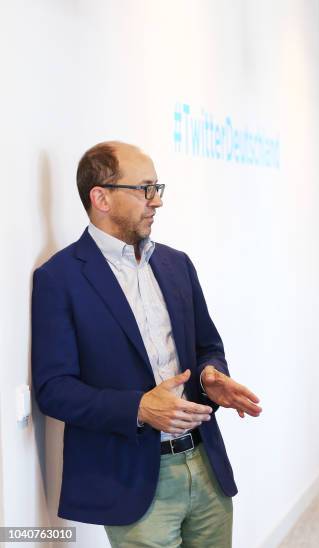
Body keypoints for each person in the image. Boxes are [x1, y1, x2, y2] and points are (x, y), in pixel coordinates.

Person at [31, 141, 261, 547]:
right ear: (100, 197)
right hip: (131, 481)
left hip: (205, 466)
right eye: (144, 189)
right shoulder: (60, 277)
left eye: (158, 189)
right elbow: (54, 390)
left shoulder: (176, 264)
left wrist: (211, 377)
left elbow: (208, 344)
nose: (156, 201)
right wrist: (138, 408)